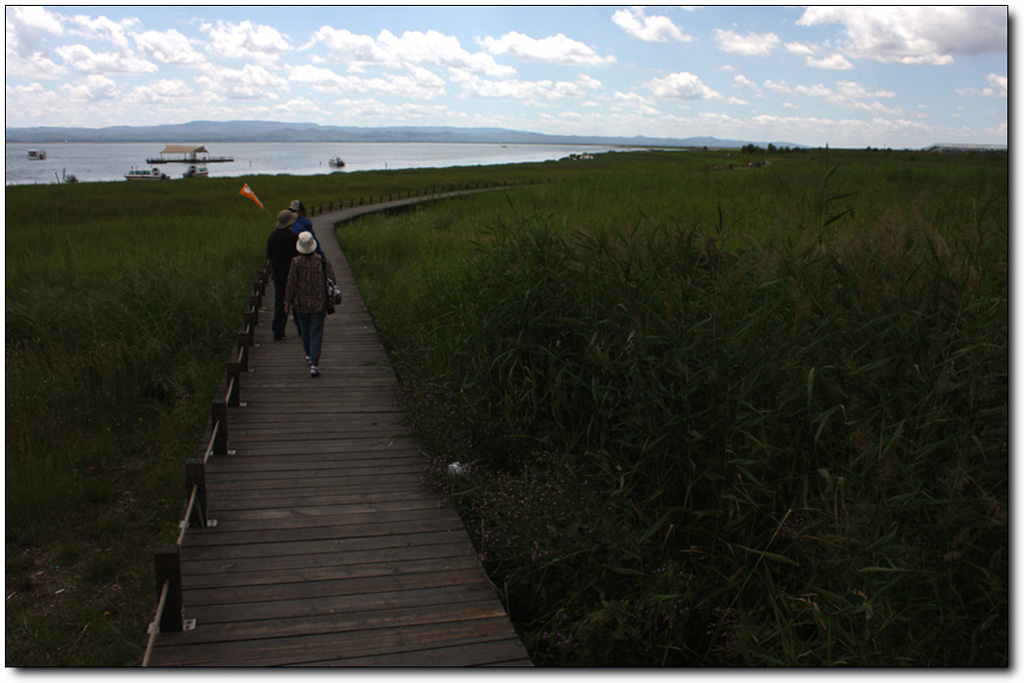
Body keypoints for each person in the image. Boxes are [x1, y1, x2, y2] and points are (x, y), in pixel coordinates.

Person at [285, 231, 336, 378]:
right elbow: (332, 280)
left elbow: (291, 284)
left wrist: (287, 301)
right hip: (319, 303)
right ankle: (314, 364)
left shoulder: (295, 262)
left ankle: (308, 354)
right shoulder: (322, 261)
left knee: (305, 331)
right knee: (316, 332)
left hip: (300, 304)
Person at [266, 209, 299, 341]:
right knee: (295, 302)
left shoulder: (272, 236)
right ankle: (301, 328)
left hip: (278, 275)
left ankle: (278, 329)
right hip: (292, 274)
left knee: (279, 302)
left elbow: (269, 255)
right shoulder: (293, 237)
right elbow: (297, 255)